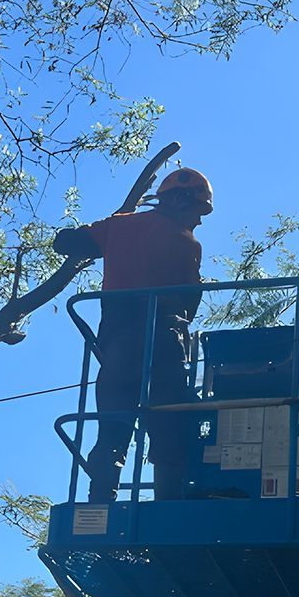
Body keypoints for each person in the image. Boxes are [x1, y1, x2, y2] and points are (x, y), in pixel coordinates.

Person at [53, 167, 213, 502]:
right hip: (165, 342)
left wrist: (112, 228)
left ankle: (100, 505)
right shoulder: (188, 244)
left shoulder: (119, 226)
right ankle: (167, 507)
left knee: (113, 426)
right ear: (181, 201)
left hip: (118, 343)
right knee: (169, 424)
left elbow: (65, 242)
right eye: (198, 211)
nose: (198, 221)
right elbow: (190, 305)